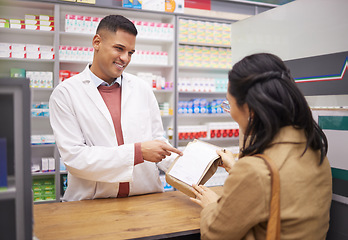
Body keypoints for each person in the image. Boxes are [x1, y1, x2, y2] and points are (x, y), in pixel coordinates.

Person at [190, 53, 332, 239]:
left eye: (229, 104)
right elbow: (278, 189)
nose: (230, 112)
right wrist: (236, 168)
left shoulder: (255, 170)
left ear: (250, 110)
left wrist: (212, 205)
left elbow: (213, 235)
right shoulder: (314, 150)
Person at [49, 15, 182, 201]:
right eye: (119, 49)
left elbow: (157, 141)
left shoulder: (142, 88)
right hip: (92, 203)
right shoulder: (66, 93)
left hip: (145, 198)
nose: (125, 58)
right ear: (97, 42)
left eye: (131, 52)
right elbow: (75, 158)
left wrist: (193, 164)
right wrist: (138, 152)